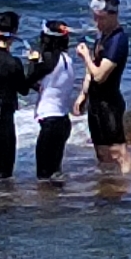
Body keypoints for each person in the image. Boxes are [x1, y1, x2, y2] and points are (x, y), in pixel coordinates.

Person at [0, 12, 44, 181]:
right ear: (14, 31)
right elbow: (24, 89)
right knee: (4, 172)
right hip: (2, 118)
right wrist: (33, 63)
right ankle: (2, 204)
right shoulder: (12, 62)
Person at [78, 0, 131, 176]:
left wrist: (85, 56)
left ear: (112, 15)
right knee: (102, 152)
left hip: (110, 102)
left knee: (118, 151)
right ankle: (107, 184)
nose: (96, 22)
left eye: (100, 18)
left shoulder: (118, 40)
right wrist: (83, 95)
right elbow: (92, 70)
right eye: (95, 17)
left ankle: (129, 183)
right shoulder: (102, 36)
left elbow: (100, 75)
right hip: (96, 102)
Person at [31, 22, 87, 181]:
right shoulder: (66, 60)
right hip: (63, 120)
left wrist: (33, 61)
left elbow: (27, 80)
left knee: (43, 175)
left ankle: (47, 204)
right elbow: (51, 86)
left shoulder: (48, 58)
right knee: (55, 172)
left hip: (50, 122)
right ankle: (57, 202)